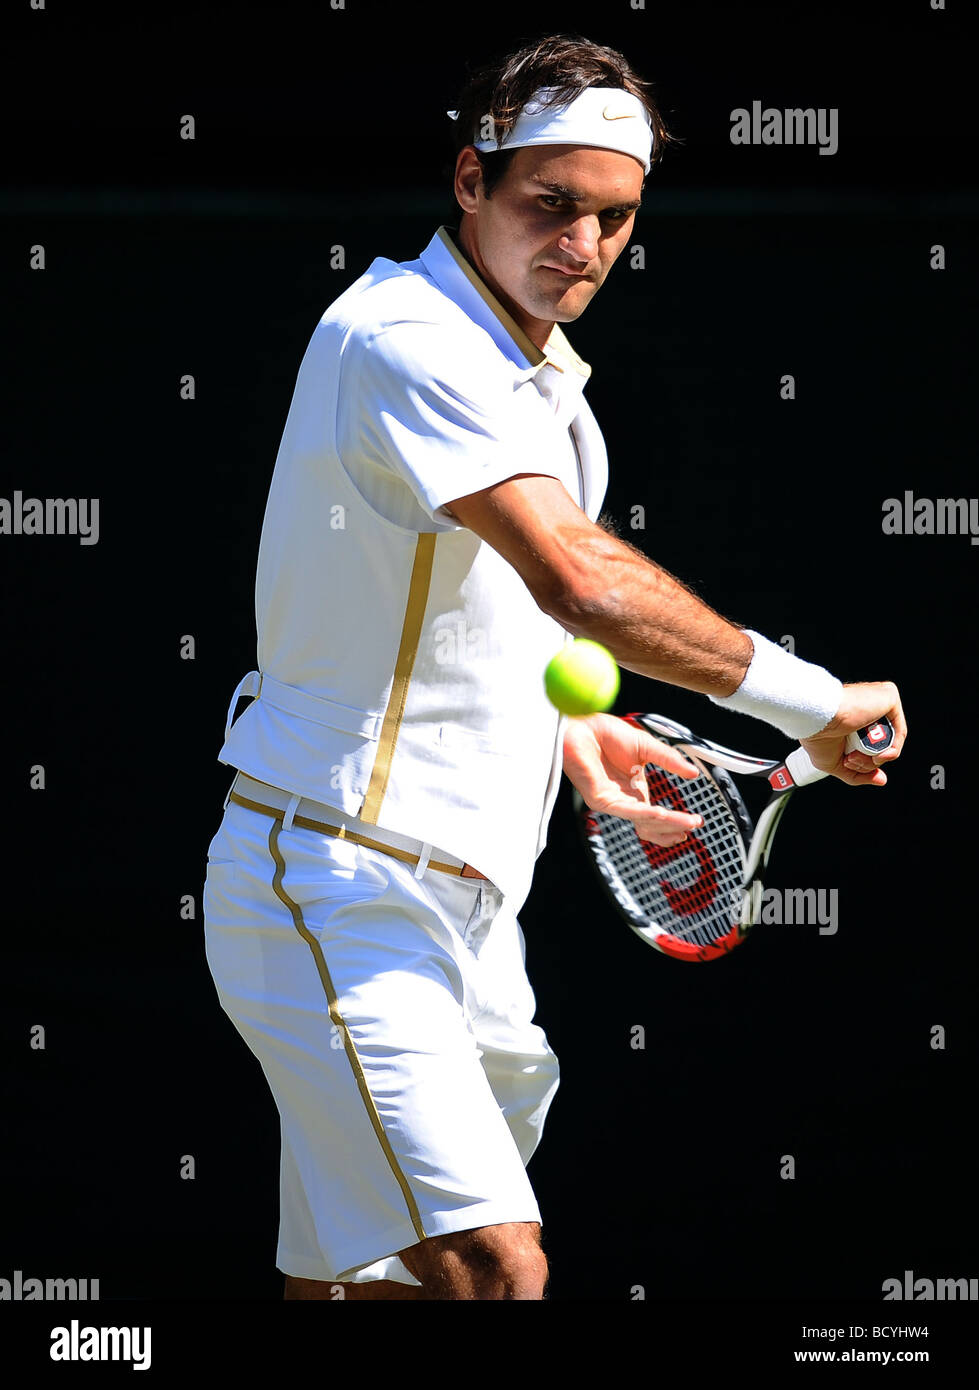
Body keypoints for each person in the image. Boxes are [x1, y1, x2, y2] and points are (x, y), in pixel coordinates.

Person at [202, 33, 906, 1302]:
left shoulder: (549, 394)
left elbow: (475, 620)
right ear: (468, 180)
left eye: (614, 218)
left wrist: (570, 733)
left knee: (370, 1286)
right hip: (333, 883)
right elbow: (575, 580)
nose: (581, 246)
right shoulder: (404, 336)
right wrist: (814, 697)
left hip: (471, 916)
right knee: (492, 1266)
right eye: (551, 205)